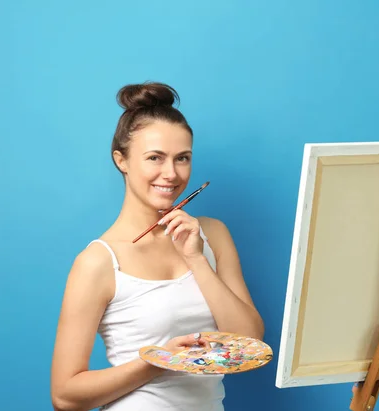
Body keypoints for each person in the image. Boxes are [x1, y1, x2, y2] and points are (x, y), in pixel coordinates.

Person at [50, 82, 265, 411]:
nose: (171, 173)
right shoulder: (98, 262)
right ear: (121, 160)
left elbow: (250, 342)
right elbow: (65, 396)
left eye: (183, 158)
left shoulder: (213, 235)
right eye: (155, 158)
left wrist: (196, 260)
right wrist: (159, 360)